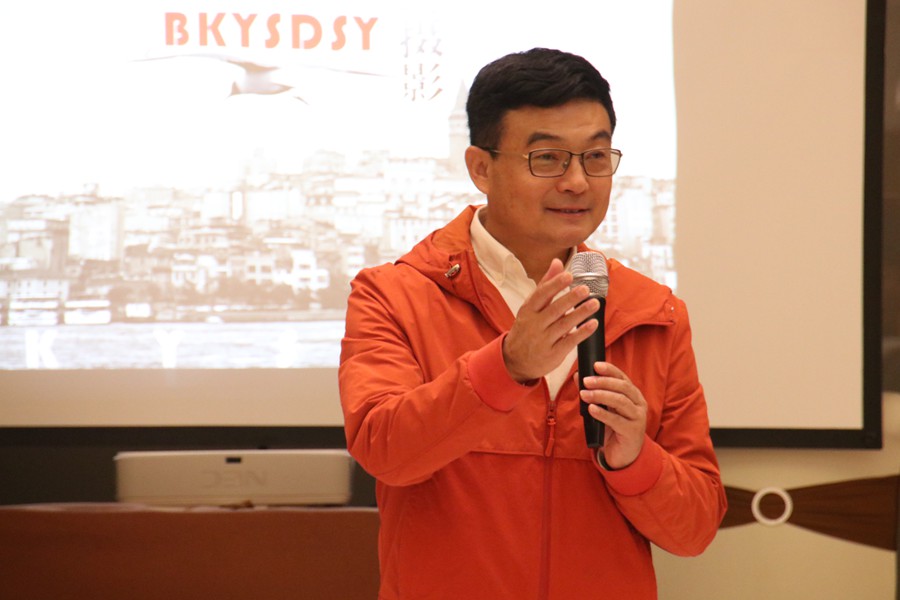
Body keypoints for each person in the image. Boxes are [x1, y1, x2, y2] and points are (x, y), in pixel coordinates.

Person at [339, 47, 727, 599]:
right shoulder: (395, 294)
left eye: (596, 157)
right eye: (547, 158)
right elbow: (386, 453)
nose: (577, 182)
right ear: (480, 168)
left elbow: (695, 531)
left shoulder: (652, 312)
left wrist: (636, 460)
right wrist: (506, 366)